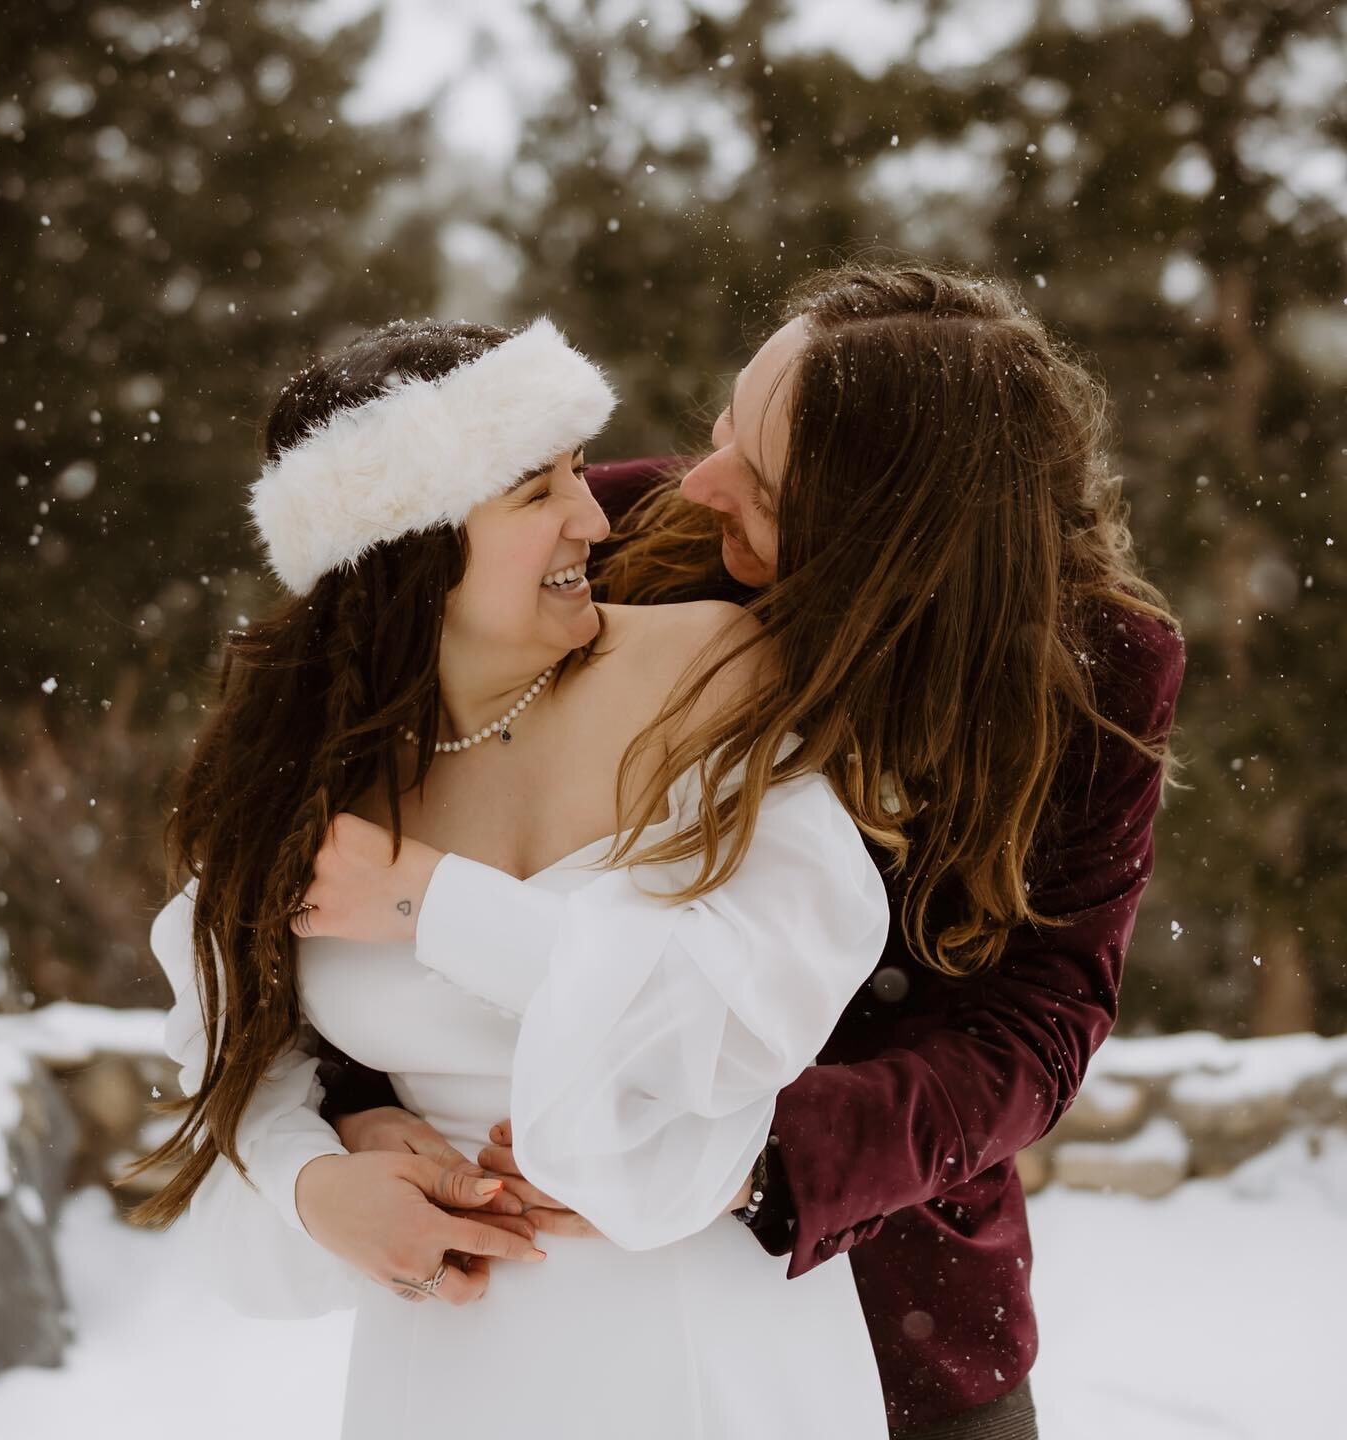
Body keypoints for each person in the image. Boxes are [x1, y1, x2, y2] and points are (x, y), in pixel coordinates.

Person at [279, 263, 1186, 1439]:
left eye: (758, 479)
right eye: (719, 434)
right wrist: (350, 1111)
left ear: (881, 538)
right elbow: (315, 828)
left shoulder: (1097, 669)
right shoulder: (603, 543)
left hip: (894, 1306)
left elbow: (1035, 1026)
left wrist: (739, 1161)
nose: (692, 484)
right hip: (550, 1332)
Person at [136, 315, 895, 1439]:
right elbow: (231, 1068)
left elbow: (756, 1008)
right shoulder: (298, 774)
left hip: (703, 1340)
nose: (596, 517)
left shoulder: (705, 676)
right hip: (448, 1359)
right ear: (409, 543)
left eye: (580, 472)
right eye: (538, 492)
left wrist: (437, 907)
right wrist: (316, 1189)